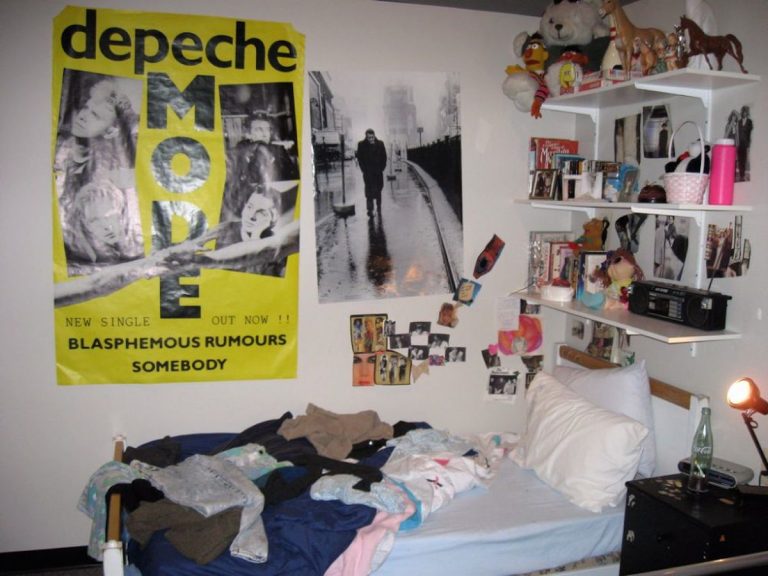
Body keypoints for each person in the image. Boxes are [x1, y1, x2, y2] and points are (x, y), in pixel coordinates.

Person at [220, 113, 299, 228]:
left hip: (277, 205)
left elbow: (293, 177)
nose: (264, 133)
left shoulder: (279, 150)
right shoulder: (238, 152)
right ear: (248, 133)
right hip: (246, 208)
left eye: (267, 129)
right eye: (259, 129)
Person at [64, 180, 143, 274]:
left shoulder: (138, 242)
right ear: (87, 225)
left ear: (121, 214)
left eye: (111, 217)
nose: (106, 226)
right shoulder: (79, 256)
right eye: (95, 220)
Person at [356, 128, 387, 217]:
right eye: (369, 137)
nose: (371, 139)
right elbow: (360, 159)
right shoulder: (361, 145)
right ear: (366, 137)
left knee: (379, 189)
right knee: (369, 191)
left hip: (378, 172)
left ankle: (378, 206)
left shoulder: (380, 144)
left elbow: (384, 157)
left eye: (372, 137)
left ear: (374, 136)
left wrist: (382, 168)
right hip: (368, 173)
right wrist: (364, 170)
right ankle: (370, 210)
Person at [736, 105, 753, 181]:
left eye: (745, 112)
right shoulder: (739, 122)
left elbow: (750, 132)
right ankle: (741, 175)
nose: (744, 113)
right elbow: (737, 132)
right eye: (743, 112)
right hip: (739, 143)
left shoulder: (749, 121)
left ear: (747, 113)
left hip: (746, 143)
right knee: (740, 159)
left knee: (744, 159)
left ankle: (743, 175)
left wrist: (749, 143)